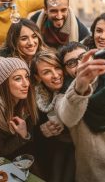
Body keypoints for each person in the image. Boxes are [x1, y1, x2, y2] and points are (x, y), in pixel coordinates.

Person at [55, 45, 105, 182]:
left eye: (82, 57)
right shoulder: (62, 97)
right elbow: (68, 118)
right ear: (66, 71)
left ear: (93, 57)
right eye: (71, 63)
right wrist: (79, 88)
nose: (80, 64)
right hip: (90, 175)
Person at [30, 50, 75, 182]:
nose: (55, 75)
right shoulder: (36, 97)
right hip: (56, 146)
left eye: (57, 68)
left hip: (78, 145)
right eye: (47, 72)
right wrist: (42, 131)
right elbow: (33, 135)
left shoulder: (72, 88)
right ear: (38, 77)